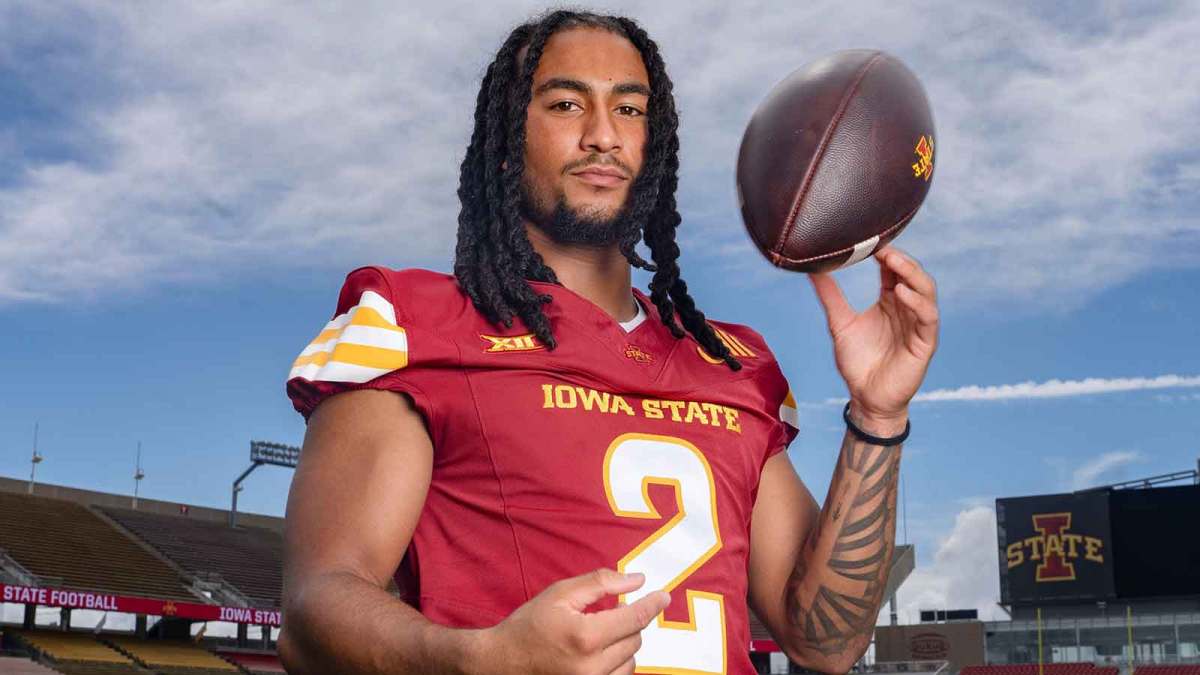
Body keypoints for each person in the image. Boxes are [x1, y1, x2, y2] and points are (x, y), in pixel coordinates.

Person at [278, 10, 938, 675]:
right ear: (508, 139)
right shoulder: (416, 323)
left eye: (629, 109)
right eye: (566, 104)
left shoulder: (733, 364)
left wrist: (878, 417)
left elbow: (826, 641)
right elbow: (314, 608)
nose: (602, 136)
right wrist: (485, 659)